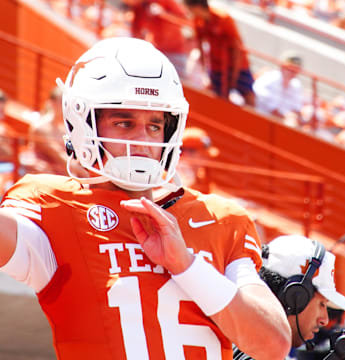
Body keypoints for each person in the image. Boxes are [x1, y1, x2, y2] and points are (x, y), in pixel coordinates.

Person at [0, 37, 291, 359]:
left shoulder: (220, 218)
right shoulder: (54, 206)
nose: (142, 140)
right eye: (124, 123)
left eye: (155, 126)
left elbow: (272, 345)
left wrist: (186, 265)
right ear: (81, 123)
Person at [233, 235, 345, 360]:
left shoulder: (251, 346)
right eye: (321, 304)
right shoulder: (253, 353)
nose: (324, 320)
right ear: (295, 297)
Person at [184, 0, 255, 106]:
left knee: (248, 95)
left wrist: (233, 77)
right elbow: (200, 44)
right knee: (217, 96)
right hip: (217, 65)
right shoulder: (198, 21)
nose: (188, 12)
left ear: (197, 6)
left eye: (189, 8)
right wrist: (204, 70)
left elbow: (237, 48)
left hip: (238, 65)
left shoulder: (224, 19)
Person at [253, 50, 305, 126]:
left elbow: (296, 110)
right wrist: (289, 119)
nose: (293, 72)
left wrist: (294, 118)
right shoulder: (270, 78)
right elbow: (273, 110)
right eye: (290, 68)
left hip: (279, 124)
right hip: (260, 120)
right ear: (282, 66)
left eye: (296, 70)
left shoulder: (296, 85)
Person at [177, 126, 219, 193]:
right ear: (184, 152)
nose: (206, 158)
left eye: (206, 155)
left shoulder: (201, 178)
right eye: (203, 154)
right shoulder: (173, 179)